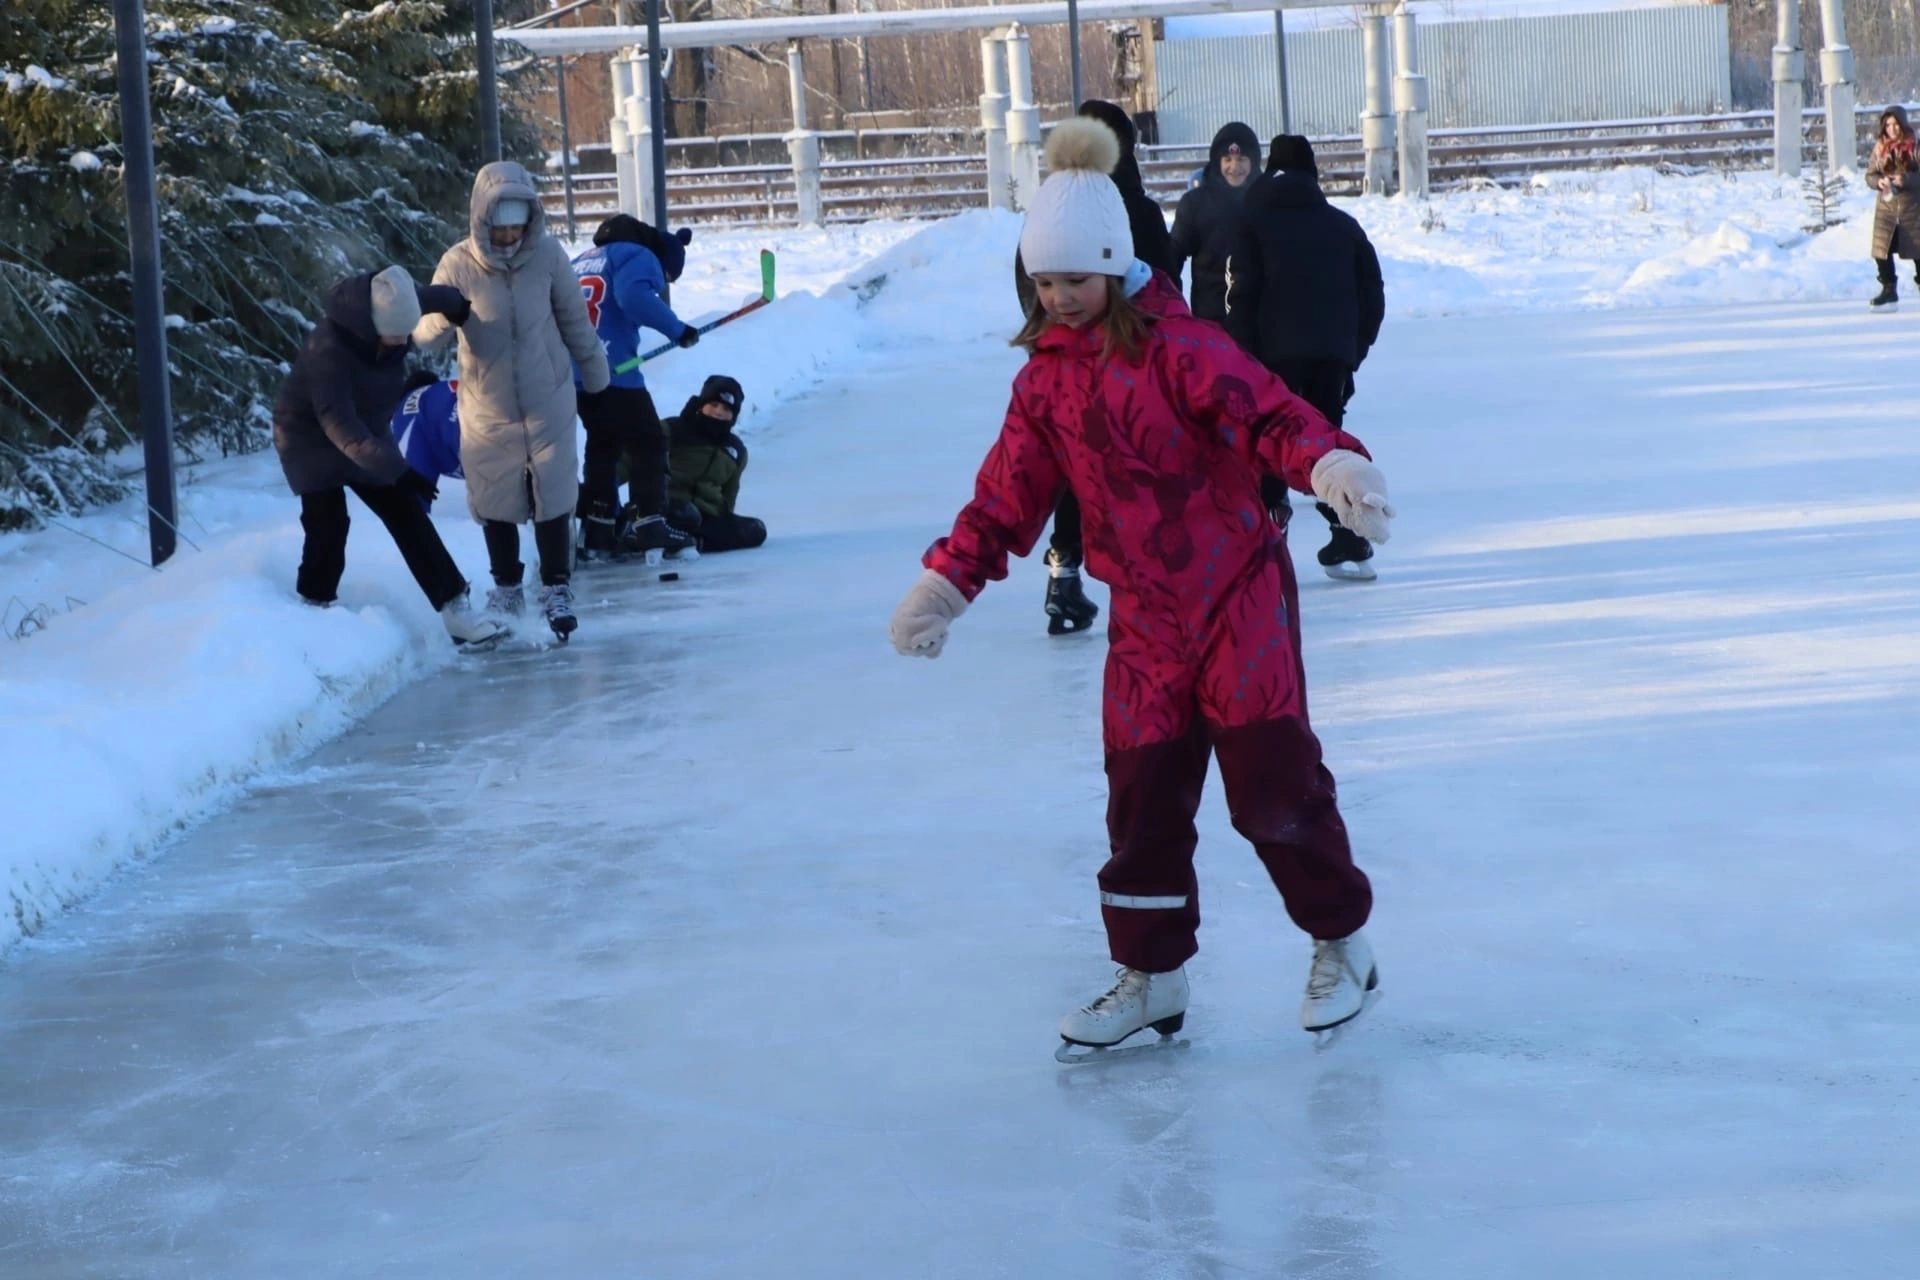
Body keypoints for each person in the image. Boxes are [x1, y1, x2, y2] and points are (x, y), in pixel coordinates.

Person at [887, 118, 1394, 1054]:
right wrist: (946, 586)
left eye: (1075, 279)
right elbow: (1005, 499)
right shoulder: (1043, 386)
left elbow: (1269, 415)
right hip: (1148, 619)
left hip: (1236, 593)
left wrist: (1329, 465)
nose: (1060, 298)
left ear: (1117, 266)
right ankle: (1152, 974)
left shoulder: (1182, 349)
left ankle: (1341, 943)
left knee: (1271, 787)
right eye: (1043, 283)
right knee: (1142, 799)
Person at [414, 161, 611, 643]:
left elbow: (573, 320)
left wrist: (596, 373)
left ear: (531, 219)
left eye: (517, 227)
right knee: (495, 495)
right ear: (481, 219)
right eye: (498, 229)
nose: (508, 238)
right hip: (488, 405)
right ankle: (506, 586)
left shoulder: (547, 256)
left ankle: (557, 586)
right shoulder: (458, 263)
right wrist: (444, 314)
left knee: (554, 492)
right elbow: (424, 336)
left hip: (549, 397)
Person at [271, 265, 506, 648]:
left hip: (366, 425)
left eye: (405, 332)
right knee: (328, 522)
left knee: (406, 512)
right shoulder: (328, 351)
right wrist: (400, 470)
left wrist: (460, 310)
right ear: (371, 326)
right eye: (394, 334)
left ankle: (455, 608)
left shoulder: (401, 301)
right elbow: (340, 427)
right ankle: (314, 607)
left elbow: (439, 296)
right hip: (308, 436)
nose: (401, 342)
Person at [1013, 101, 1179, 638]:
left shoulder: (1049, 210)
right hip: (1137, 366)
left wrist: (1052, 335)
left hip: (1069, 363)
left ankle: (1065, 573)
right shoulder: (1139, 209)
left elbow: (1030, 276)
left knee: (1069, 463)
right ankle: (1151, 579)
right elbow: (1164, 286)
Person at [1225, 134, 1387, 581]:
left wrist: (1242, 358)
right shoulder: (1343, 226)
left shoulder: (1252, 224)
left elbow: (1238, 296)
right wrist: (1352, 352)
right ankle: (1349, 534)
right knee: (1324, 440)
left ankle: (1269, 528)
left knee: (1271, 440)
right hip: (1330, 357)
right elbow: (1372, 295)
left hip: (1271, 358)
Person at [570, 214, 701, 560]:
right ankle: (649, 523)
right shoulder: (639, 256)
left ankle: (597, 527)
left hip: (573, 372)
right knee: (649, 440)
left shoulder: (583, 259)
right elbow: (633, 297)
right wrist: (678, 329)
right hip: (614, 370)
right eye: (667, 278)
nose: (662, 283)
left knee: (604, 443)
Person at [1167, 121, 1260, 323]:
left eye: (1242, 159)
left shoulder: (1266, 200)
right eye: (1227, 159)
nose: (1234, 167)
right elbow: (1172, 257)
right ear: (1217, 161)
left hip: (1259, 322)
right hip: (1211, 322)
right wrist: (1173, 308)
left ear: (1254, 161)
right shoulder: (1195, 203)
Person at [664, 375, 767, 553]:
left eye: (727, 409)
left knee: (756, 530)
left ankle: (692, 541)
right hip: (669, 508)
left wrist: (725, 524)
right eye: (713, 405)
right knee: (686, 514)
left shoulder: (735, 450)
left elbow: (729, 497)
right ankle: (665, 536)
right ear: (701, 405)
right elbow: (627, 464)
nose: (719, 412)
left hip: (707, 518)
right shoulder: (672, 430)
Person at [1867, 105, 1920, 311]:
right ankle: (1889, 289)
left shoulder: (1915, 146)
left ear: (1903, 124)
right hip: (1887, 207)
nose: (1892, 128)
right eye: (1888, 124)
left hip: (1912, 207)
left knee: (1916, 249)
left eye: (1895, 124)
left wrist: (1905, 179)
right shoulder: (1880, 147)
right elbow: (1869, 174)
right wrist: (1878, 182)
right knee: (1882, 249)